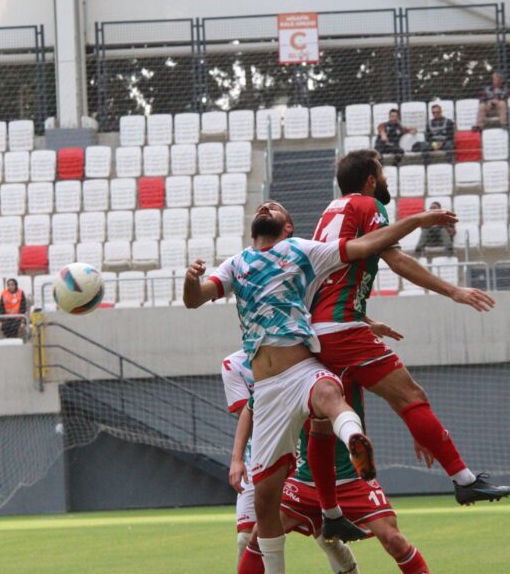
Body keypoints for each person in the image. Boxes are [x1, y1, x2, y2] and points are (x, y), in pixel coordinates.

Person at [184, 200, 457, 573]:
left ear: (287, 227)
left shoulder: (302, 251)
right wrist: (190, 281)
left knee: (329, 392)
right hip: (267, 392)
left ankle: (355, 440)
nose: (267, 206)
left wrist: (418, 219)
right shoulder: (236, 264)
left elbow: (366, 244)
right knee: (264, 502)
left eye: (276, 207)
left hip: (300, 370)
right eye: (264, 206)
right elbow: (195, 300)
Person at [309, 150, 510, 508]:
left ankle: (330, 510)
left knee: (324, 425)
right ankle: (465, 481)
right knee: (412, 397)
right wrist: (453, 291)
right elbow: (397, 260)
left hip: (319, 330)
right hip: (342, 329)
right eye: (382, 173)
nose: (385, 179)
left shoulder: (329, 213)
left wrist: (368, 321)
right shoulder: (368, 205)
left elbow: (325, 283)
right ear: (370, 180)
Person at [237, 376, 429, 574]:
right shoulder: (293, 371)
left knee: (394, 539)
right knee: (258, 536)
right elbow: (249, 409)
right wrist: (237, 460)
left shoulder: (347, 363)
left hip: (352, 479)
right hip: (305, 480)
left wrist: (419, 430)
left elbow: (398, 392)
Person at [223, 349, 362, 574]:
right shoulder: (233, 364)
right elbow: (250, 414)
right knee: (247, 537)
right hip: (263, 451)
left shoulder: (297, 350)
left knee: (324, 535)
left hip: (302, 455)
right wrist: (237, 459)